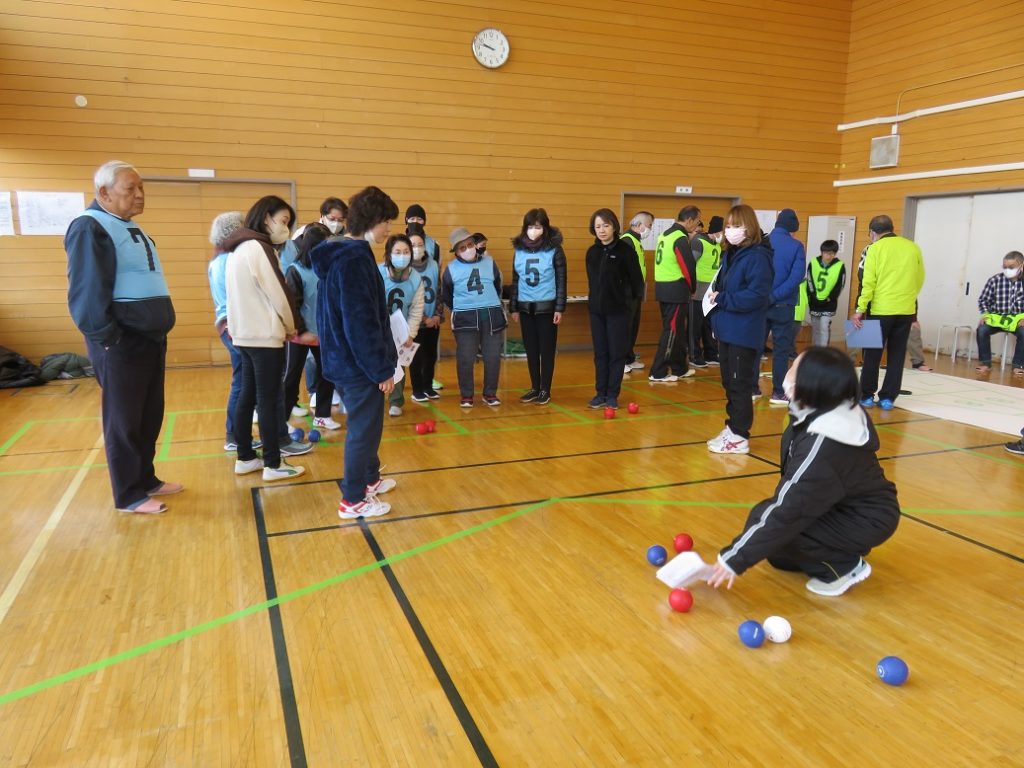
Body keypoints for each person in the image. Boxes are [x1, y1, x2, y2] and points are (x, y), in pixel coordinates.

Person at [706, 347, 900, 597]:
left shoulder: (825, 441)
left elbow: (790, 509)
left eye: (795, 370)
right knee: (776, 549)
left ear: (812, 384)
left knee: (785, 527)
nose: (788, 375)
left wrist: (732, 559)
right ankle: (836, 548)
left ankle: (844, 568)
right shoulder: (820, 408)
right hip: (841, 506)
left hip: (864, 518)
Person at [65, 160, 181, 515]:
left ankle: (145, 478)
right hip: (121, 342)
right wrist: (108, 338)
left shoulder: (128, 226)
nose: (140, 195)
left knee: (148, 414)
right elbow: (87, 291)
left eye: (141, 188)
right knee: (125, 420)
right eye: (131, 189)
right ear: (104, 193)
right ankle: (129, 494)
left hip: (149, 339)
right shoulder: (89, 227)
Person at [313, 186, 400, 519]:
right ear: (372, 220)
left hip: (342, 360)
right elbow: (359, 323)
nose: (389, 229)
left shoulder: (342, 253)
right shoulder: (354, 260)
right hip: (356, 365)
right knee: (363, 430)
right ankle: (352, 499)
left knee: (368, 425)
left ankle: (369, 479)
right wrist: (381, 369)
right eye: (386, 222)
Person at [224, 196, 311, 482]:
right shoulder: (259, 248)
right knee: (268, 400)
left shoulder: (237, 248)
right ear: (266, 218)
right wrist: (292, 326)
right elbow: (279, 292)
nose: (285, 228)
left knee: (248, 395)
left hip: (244, 336)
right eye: (283, 221)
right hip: (264, 337)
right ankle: (273, 464)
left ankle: (246, 457)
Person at [706, 204, 773, 454]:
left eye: (736, 225)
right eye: (728, 225)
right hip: (728, 329)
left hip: (744, 332)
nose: (730, 230)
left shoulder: (757, 257)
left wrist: (723, 299)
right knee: (729, 382)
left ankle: (740, 435)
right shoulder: (731, 254)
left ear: (749, 227)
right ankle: (732, 426)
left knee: (739, 384)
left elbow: (756, 295)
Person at [852, 215, 926, 410]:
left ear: (872, 233)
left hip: (879, 309)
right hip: (905, 310)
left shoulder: (873, 249)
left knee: (871, 354)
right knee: (897, 355)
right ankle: (888, 398)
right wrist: (908, 299)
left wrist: (860, 309)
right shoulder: (912, 247)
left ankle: (867, 396)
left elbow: (867, 282)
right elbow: (919, 278)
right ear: (892, 228)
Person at [207, 210, 260, 451]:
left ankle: (237, 434)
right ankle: (235, 435)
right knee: (243, 382)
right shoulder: (229, 260)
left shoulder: (219, 259)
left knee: (243, 380)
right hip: (233, 326)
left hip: (229, 325)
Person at [585, 209, 645, 410]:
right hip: (597, 312)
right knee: (600, 353)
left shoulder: (625, 251)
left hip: (619, 312)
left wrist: (627, 303)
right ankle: (600, 393)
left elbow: (637, 282)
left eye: (606, 225)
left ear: (614, 227)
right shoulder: (592, 253)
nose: (602, 230)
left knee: (616, 354)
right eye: (598, 226)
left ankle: (612, 395)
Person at [283, 223, 339, 430]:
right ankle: (282, 420)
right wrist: (302, 332)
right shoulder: (295, 270)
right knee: (291, 376)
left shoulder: (329, 269)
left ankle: (322, 415)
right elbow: (292, 306)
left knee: (327, 373)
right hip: (300, 335)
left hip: (323, 334)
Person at [441, 227, 506, 407]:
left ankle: (490, 393)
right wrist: (461, 307)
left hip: (491, 315)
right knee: (466, 357)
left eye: (470, 245)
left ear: (475, 245)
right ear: (456, 252)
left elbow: (498, 285)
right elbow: (446, 294)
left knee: (493, 356)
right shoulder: (451, 269)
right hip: (465, 318)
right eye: (462, 248)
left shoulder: (490, 262)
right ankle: (467, 395)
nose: (468, 249)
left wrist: (490, 301)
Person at [510, 208, 567, 405]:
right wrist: (514, 307)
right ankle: (535, 387)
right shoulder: (519, 251)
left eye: (538, 227)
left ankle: (545, 389)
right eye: (530, 226)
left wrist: (559, 308)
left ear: (545, 228)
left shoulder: (554, 250)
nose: (533, 230)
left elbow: (561, 280)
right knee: (531, 350)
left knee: (546, 350)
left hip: (546, 308)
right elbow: (516, 280)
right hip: (526, 308)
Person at [649, 206, 700, 382]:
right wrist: (693, 288)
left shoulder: (665, 234)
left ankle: (680, 368)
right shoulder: (679, 237)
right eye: (697, 221)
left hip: (663, 288)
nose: (697, 225)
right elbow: (688, 266)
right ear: (689, 220)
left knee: (677, 331)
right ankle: (658, 371)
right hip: (676, 290)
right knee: (671, 331)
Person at [765, 208, 807, 405]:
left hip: (759, 304)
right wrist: (776, 296)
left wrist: (764, 296)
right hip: (784, 305)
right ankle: (778, 392)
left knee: (755, 347)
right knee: (781, 350)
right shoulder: (796, 246)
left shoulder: (762, 242)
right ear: (793, 228)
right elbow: (796, 277)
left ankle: (752, 389)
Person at [380, 233, 425, 416]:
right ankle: (374, 399)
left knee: (398, 364)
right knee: (375, 362)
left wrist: (411, 333)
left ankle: (396, 401)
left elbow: (417, 308)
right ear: (389, 254)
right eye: (397, 252)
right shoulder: (378, 272)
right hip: (378, 327)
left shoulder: (416, 278)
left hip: (400, 329)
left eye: (406, 252)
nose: (402, 255)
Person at [407, 225, 443, 402]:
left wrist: (436, 316)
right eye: (413, 245)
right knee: (416, 356)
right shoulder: (405, 268)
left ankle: (428, 386)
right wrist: (423, 318)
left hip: (432, 320)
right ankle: (417, 389)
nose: (417, 248)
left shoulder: (434, 265)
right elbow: (407, 297)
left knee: (430, 355)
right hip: (415, 321)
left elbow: (439, 290)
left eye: (420, 244)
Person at [974, 251, 1024, 375]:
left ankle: (1018, 365)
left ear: (1021, 265)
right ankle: (985, 363)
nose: (1007, 270)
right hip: (997, 318)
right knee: (982, 330)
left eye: (1011, 267)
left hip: (1018, 320)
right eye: (1004, 267)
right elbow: (983, 300)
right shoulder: (995, 280)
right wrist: (986, 315)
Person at [621, 211, 653, 371]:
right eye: (649, 225)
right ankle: (621, 360)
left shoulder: (636, 240)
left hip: (635, 291)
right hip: (627, 292)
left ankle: (629, 357)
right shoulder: (627, 240)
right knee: (625, 327)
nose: (650, 229)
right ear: (639, 225)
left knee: (633, 325)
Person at [690, 215, 723, 367]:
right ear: (716, 231)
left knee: (709, 325)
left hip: (710, 292)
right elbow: (690, 265)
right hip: (697, 291)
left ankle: (711, 353)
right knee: (695, 326)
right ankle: (694, 355)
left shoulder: (717, 245)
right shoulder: (699, 242)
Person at [281, 197, 347, 271]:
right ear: (322, 216)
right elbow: (292, 257)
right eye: (332, 219)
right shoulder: (305, 231)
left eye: (340, 220)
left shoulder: (347, 237)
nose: (336, 223)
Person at [806, 239, 846, 347]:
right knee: (816, 328)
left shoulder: (839, 265)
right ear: (822, 252)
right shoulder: (813, 263)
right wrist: (813, 296)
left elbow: (840, 285)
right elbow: (809, 280)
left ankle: (823, 352)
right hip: (814, 301)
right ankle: (816, 350)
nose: (829, 256)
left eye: (832, 253)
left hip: (829, 303)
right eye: (826, 253)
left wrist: (829, 298)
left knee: (824, 327)